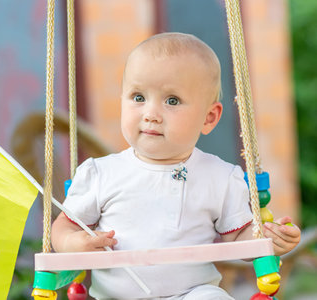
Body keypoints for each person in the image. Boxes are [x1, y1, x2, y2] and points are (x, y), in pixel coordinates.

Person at [51, 32, 301, 299]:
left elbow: (237, 238)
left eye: (172, 101)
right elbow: (64, 226)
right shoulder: (100, 174)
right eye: (138, 97)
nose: (151, 114)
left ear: (209, 117)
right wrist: (71, 242)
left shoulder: (220, 177)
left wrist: (266, 240)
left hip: (191, 293)